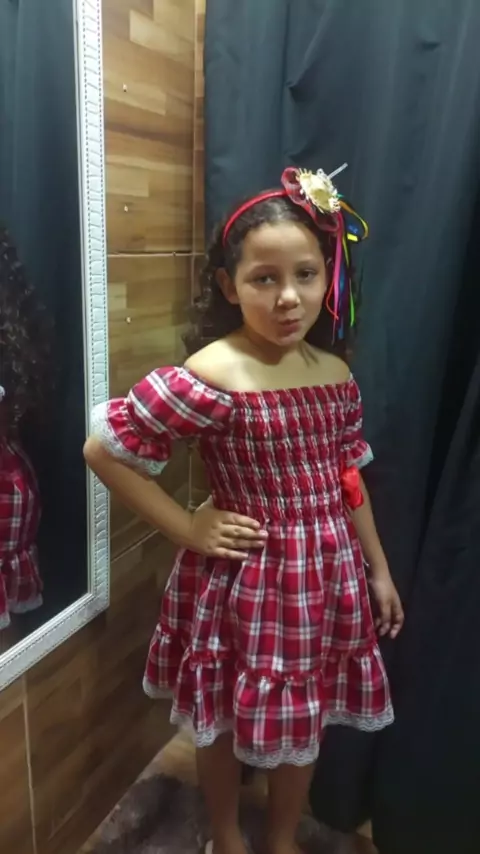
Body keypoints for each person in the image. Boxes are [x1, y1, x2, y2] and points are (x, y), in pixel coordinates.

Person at [84, 166, 404, 854]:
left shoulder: (334, 374)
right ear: (230, 286)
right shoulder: (213, 373)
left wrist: (378, 568)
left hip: (322, 578)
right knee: (225, 716)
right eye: (264, 278)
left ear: (328, 276)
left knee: (304, 713)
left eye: (306, 275)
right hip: (246, 579)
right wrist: (188, 527)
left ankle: (281, 838)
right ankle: (228, 835)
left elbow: (347, 477)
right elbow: (104, 451)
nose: (289, 297)